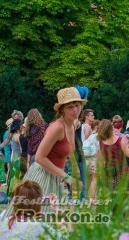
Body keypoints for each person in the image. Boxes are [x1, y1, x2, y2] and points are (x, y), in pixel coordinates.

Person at [1, 87, 84, 217]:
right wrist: (67, 177)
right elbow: (39, 157)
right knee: (31, 219)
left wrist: (73, 166)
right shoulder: (57, 127)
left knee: (48, 222)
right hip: (41, 175)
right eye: (70, 106)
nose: (75, 110)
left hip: (55, 175)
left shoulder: (72, 126)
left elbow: (69, 150)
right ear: (62, 109)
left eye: (77, 105)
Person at [96, 119, 129, 190]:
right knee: (123, 196)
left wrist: (100, 172)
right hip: (122, 172)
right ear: (111, 127)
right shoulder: (120, 140)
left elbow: (99, 159)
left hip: (109, 172)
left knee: (110, 196)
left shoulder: (101, 142)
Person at [82, 119, 99, 200]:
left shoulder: (90, 137)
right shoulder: (98, 137)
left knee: (88, 179)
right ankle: (93, 199)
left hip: (86, 159)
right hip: (94, 160)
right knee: (94, 179)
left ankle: (84, 197)